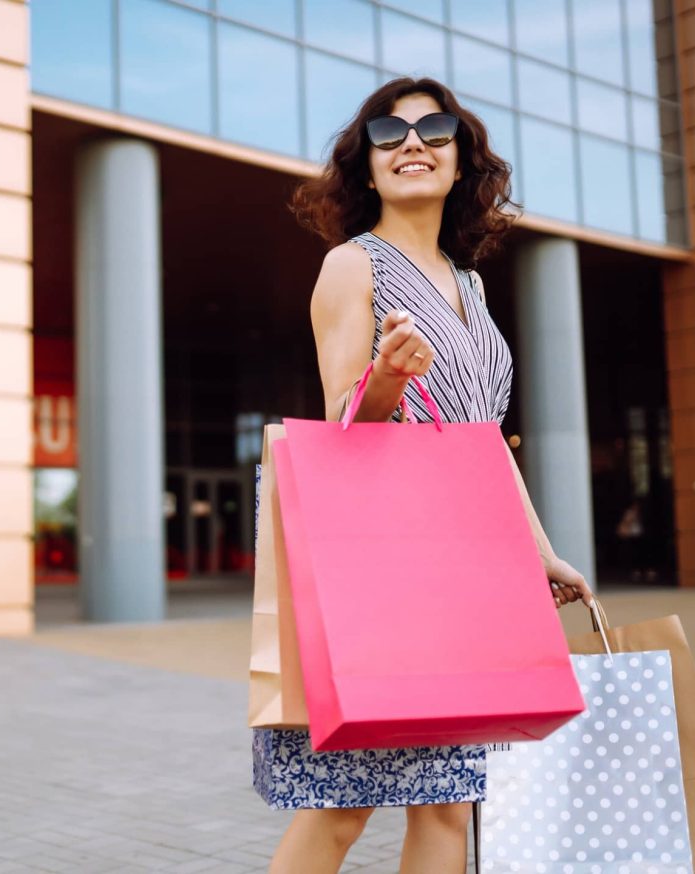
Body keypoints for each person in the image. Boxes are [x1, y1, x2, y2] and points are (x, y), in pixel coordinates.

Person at [270, 77, 594, 873]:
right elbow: (343, 426)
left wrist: (540, 550)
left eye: (435, 130)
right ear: (367, 167)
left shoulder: (471, 285)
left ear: (460, 165)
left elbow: (484, 443)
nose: (412, 142)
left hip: (470, 573)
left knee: (448, 805)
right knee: (341, 808)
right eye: (389, 133)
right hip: (383, 571)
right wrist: (384, 380)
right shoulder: (351, 266)